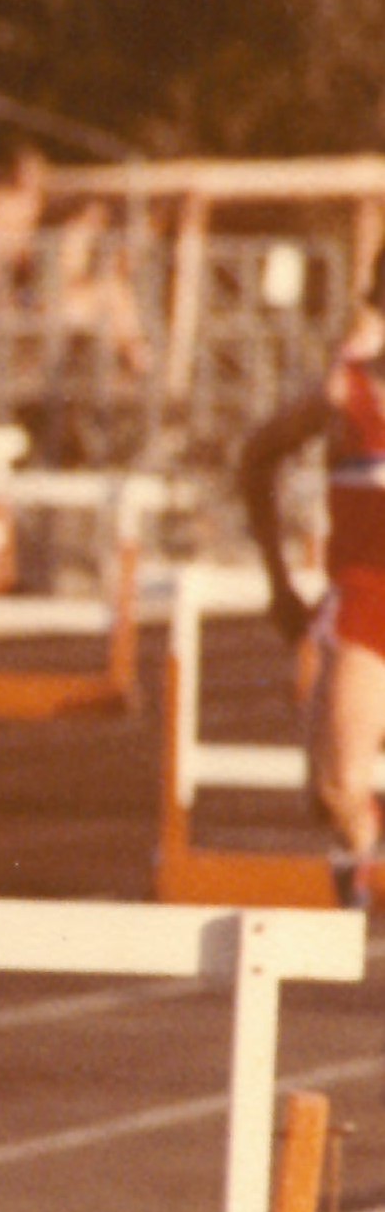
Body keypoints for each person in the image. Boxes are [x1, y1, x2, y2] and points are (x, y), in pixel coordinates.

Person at [237, 249, 385, 909]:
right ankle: (361, 881)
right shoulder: (344, 392)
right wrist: (277, 579)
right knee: (333, 791)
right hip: (367, 605)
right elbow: (257, 459)